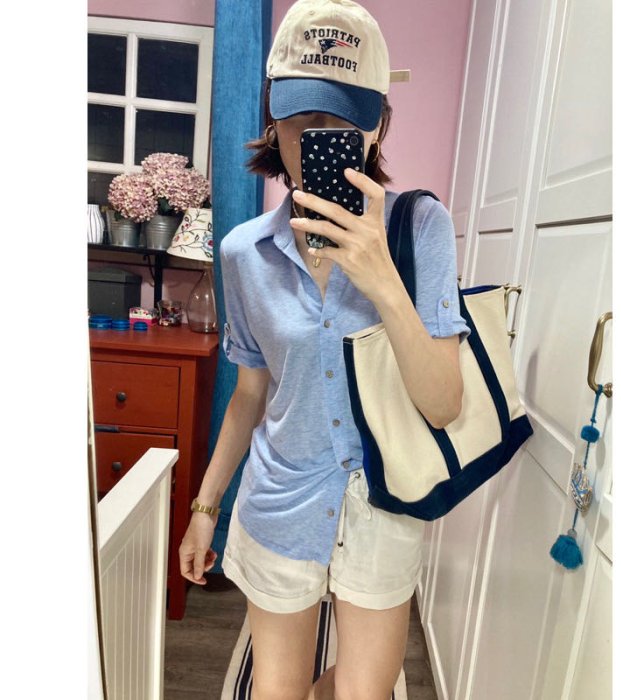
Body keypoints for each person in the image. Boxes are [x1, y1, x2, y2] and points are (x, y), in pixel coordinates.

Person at [179, 1, 469, 698]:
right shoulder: (243, 253)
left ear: (378, 126)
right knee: (277, 689)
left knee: (363, 693)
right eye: (304, 119)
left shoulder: (421, 228)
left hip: (383, 505)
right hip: (279, 501)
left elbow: (443, 404)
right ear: (273, 123)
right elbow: (251, 393)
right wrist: (204, 509)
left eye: (344, 120)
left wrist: (381, 278)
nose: (321, 138)